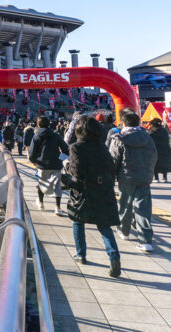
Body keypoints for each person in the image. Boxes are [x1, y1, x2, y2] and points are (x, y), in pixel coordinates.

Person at [64, 116, 121, 277]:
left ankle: (81, 254)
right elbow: (111, 166)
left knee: (78, 221)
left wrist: (67, 165)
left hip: (84, 191)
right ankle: (114, 257)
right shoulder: (102, 146)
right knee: (104, 225)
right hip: (103, 189)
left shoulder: (76, 147)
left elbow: (77, 172)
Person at [109, 111, 157, 252]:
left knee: (125, 205)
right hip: (144, 177)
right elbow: (154, 156)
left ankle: (124, 231)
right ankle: (146, 240)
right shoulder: (147, 137)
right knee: (143, 209)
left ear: (124, 123)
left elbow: (113, 159)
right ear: (138, 123)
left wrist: (112, 176)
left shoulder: (119, 138)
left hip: (126, 177)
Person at [28, 116, 69, 215]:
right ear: (49, 124)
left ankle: (41, 204)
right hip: (56, 164)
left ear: (38, 125)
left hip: (42, 164)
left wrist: (34, 161)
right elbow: (66, 150)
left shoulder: (36, 136)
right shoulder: (56, 135)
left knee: (41, 183)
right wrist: (60, 159)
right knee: (57, 186)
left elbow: (32, 152)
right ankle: (58, 208)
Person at [147, 118, 170, 183]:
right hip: (165, 150)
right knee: (164, 164)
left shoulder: (151, 131)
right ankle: (164, 177)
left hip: (155, 150)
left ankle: (156, 177)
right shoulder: (164, 131)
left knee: (155, 164)